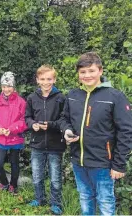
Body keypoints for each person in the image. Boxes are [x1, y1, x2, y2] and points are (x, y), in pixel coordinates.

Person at [60, 52, 132, 215]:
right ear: (78, 74)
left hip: (103, 163)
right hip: (79, 159)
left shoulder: (115, 96)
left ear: (100, 71)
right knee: (85, 197)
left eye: (91, 71)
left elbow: (126, 131)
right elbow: (64, 119)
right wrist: (67, 131)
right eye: (83, 72)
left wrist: (119, 164)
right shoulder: (73, 95)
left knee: (105, 201)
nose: (87, 75)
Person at [25, 65, 66, 215]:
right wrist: (33, 125)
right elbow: (27, 118)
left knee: (55, 177)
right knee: (37, 175)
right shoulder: (31, 98)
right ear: (37, 80)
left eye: (49, 79)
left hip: (56, 144)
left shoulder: (61, 98)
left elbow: (64, 119)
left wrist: (51, 125)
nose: (46, 82)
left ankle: (56, 203)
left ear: (54, 79)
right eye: (42, 79)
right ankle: (39, 198)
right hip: (37, 144)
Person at [0, 71, 27, 195]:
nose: (6, 89)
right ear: (1, 87)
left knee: (14, 163)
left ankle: (13, 185)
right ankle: (4, 183)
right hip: (0, 138)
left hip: (15, 138)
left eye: (9, 86)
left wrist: (12, 129)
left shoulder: (21, 102)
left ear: (14, 87)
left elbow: (24, 120)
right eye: (4, 86)